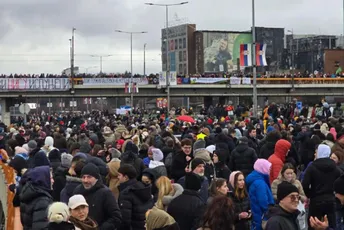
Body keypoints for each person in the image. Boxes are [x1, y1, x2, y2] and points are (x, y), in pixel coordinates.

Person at [302, 144, 341, 229]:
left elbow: (305, 183)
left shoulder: (312, 166)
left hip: (316, 200)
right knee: (331, 225)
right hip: (331, 200)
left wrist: (310, 194)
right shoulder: (334, 167)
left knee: (313, 225)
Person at [73, 163, 122, 230]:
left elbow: (116, 217)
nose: (85, 180)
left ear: (96, 178)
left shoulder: (105, 193)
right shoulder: (77, 191)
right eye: (83, 177)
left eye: (89, 177)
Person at [117, 164, 154, 230]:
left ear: (125, 177)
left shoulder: (126, 193)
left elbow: (125, 220)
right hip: (146, 226)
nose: (117, 177)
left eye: (119, 175)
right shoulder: (143, 187)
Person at [20, 165, 54, 230]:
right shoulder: (43, 201)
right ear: (43, 179)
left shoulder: (28, 193)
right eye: (51, 178)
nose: (53, 181)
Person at [246, 159, 275, 230]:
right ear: (263, 168)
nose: (269, 170)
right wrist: (269, 211)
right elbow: (263, 200)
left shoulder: (256, 179)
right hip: (262, 215)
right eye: (268, 168)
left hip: (256, 213)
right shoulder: (260, 183)